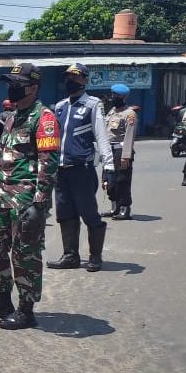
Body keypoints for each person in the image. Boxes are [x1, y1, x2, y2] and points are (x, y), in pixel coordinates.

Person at [0, 63, 60, 330]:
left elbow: (50, 163)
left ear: (33, 87)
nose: (12, 88)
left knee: (25, 254)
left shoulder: (44, 118)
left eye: (17, 83)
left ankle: (26, 310)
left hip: (26, 201)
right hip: (2, 197)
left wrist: (40, 203)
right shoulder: (11, 118)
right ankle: (2, 300)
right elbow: (1, 159)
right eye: (10, 83)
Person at [46, 64, 114, 273]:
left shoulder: (93, 105)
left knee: (89, 213)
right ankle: (70, 256)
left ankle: (95, 256)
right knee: (65, 213)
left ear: (85, 80)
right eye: (67, 77)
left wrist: (109, 166)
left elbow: (102, 136)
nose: (70, 81)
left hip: (82, 170)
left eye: (75, 77)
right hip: (61, 169)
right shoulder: (60, 106)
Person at [102, 84, 137, 220]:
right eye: (113, 95)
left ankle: (124, 209)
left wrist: (126, 155)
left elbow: (130, 135)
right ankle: (114, 207)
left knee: (122, 180)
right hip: (109, 150)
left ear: (123, 97)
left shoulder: (129, 114)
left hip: (121, 150)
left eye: (116, 96)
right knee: (108, 180)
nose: (113, 98)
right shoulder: (112, 111)